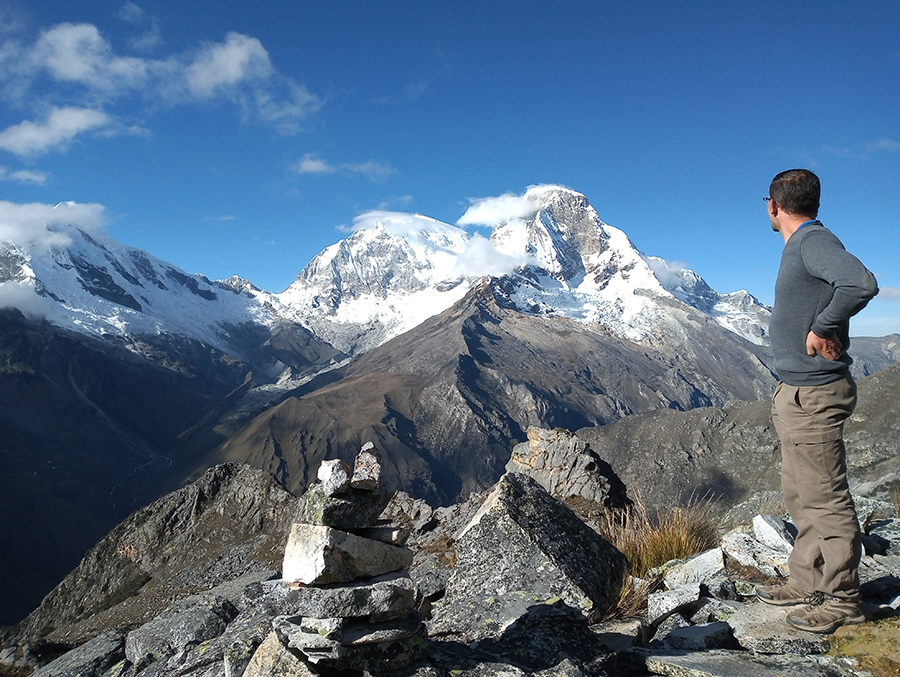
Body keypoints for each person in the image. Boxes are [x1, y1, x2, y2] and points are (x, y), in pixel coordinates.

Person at [755, 169, 879, 634]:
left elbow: (861, 283)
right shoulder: (803, 244)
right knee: (801, 494)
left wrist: (823, 326)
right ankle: (806, 579)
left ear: (773, 205)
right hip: (796, 391)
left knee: (825, 499)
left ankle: (843, 597)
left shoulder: (811, 242)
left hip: (815, 393)